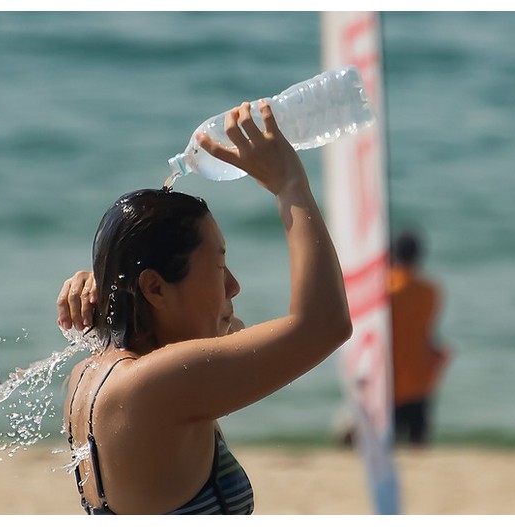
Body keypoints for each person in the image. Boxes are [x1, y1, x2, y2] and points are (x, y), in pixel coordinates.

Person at [55, 100, 352, 514]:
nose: (233, 285)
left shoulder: (89, 376)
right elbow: (323, 325)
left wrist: (108, 284)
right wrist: (290, 186)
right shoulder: (155, 385)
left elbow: (241, 337)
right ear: (156, 288)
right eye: (217, 266)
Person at [389, 230, 451, 446]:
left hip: (390, 377)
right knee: (419, 442)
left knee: (388, 442)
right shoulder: (431, 291)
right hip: (421, 375)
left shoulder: (384, 291)